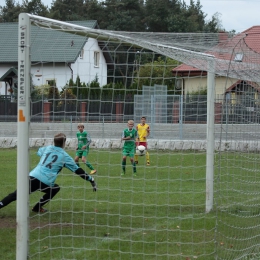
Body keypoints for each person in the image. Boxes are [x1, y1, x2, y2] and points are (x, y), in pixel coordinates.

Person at [0, 133, 97, 213]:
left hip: (32, 176)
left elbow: (39, 151)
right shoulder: (65, 156)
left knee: (15, 195)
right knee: (55, 189)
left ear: (54, 142)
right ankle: (37, 207)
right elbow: (78, 170)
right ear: (64, 143)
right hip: (45, 181)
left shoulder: (47, 148)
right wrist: (90, 179)